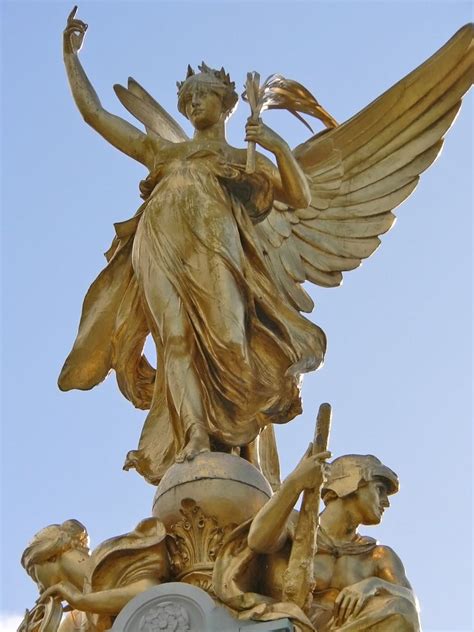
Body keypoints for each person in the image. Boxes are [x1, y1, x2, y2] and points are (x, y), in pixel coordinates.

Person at [58, 8, 326, 484]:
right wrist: (71, 59)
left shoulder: (241, 159)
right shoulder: (164, 152)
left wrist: (279, 147)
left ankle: (239, 435)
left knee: (229, 341)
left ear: (227, 104)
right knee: (175, 341)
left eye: (204, 94)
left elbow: (300, 196)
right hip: (157, 247)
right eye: (189, 96)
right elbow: (95, 115)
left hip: (214, 250)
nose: (195, 102)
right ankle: (196, 435)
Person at [243, 452, 421, 631]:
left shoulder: (378, 556)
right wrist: (296, 483)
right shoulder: (296, 525)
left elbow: (409, 604)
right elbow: (258, 541)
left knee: (401, 609)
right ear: (351, 485)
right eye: (379, 489)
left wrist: (374, 585)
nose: (386, 503)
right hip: (287, 625)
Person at [20, 518, 169, 631]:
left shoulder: (110, 555)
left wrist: (81, 600)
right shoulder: (76, 620)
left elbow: (149, 591)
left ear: (50, 555)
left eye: (34, 575)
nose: (40, 588)